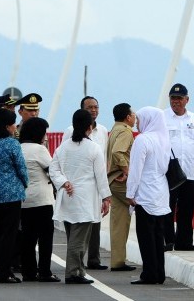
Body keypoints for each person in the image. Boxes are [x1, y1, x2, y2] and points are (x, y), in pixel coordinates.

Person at [49, 109, 111, 285]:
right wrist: (106, 197)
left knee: (73, 236)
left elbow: (53, 169)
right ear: (89, 127)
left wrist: (63, 182)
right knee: (79, 239)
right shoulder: (93, 148)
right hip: (84, 198)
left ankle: (78, 270)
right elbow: (101, 176)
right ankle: (73, 273)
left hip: (67, 197)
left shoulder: (63, 147)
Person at [60, 96, 109, 270]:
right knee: (76, 228)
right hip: (74, 187)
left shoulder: (102, 131)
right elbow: (63, 160)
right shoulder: (69, 133)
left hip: (94, 187)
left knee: (94, 224)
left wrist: (104, 193)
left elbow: (105, 159)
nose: (93, 110)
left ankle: (92, 260)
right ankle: (75, 265)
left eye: (96, 107)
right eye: (89, 108)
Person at [126, 106, 171, 285]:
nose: (137, 124)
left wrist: (130, 193)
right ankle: (159, 272)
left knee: (146, 237)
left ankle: (149, 274)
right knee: (158, 237)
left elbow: (136, 169)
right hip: (161, 191)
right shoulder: (164, 139)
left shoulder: (143, 140)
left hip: (145, 193)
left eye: (139, 120)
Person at [0, 107, 29, 283]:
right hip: (11, 194)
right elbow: (21, 168)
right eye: (12, 125)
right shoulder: (12, 144)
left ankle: (0, 269)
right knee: (9, 235)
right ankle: (4, 271)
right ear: (6, 126)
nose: (15, 128)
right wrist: (24, 183)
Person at [162, 83, 194, 251]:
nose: (176, 102)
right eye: (173, 98)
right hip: (169, 172)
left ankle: (184, 242)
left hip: (189, 171)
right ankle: (168, 240)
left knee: (187, 208)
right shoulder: (162, 117)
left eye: (180, 98)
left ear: (186, 100)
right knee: (167, 207)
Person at [19, 117, 60, 282]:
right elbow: (53, 170)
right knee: (45, 238)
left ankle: (28, 272)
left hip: (24, 199)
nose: (46, 135)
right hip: (42, 200)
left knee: (27, 238)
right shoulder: (39, 149)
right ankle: (44, 272)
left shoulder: (19, 147)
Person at [105, 102, 137, 272]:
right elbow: (118, 152)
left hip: (111, 179)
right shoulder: (125, 131)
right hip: (120, 180)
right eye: (133, 115)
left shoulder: (114, 129)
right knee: (146, 205)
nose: (135, 118)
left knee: (119, 222)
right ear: (127, 117)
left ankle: (117, 261)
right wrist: (127, 170)